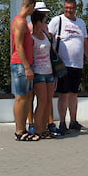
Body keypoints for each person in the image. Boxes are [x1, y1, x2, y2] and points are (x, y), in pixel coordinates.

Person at [49, 0, 88, 135]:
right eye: (66, 8)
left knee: (74, 94)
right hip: (63, 64)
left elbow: (85, 43)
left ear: (76, 8)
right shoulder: (57, 20)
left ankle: (73, 122)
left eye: (71, 8)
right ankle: (62, 123)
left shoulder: (81, 23)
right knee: (63, 94)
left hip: (77, 64)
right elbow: (47, 36)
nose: (68, 10)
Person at [10, 0, 38, 142]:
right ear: (31, 6)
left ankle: (23, 129)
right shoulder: (20, 22)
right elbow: (18, 46)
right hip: (20, 64)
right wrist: (27, 67)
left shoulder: (23, 23)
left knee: (27, 97)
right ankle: (19, 130)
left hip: (25, 64)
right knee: (21, 97)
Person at [29, 9, 56, 139]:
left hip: (49, 71)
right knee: (41, 101)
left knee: (48, 101)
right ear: (37, 22)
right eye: (43, 21)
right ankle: (37, 129)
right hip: (38, 73)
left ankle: (44, 128)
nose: (44, 23)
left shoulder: (45, 35)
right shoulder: (31, 37)